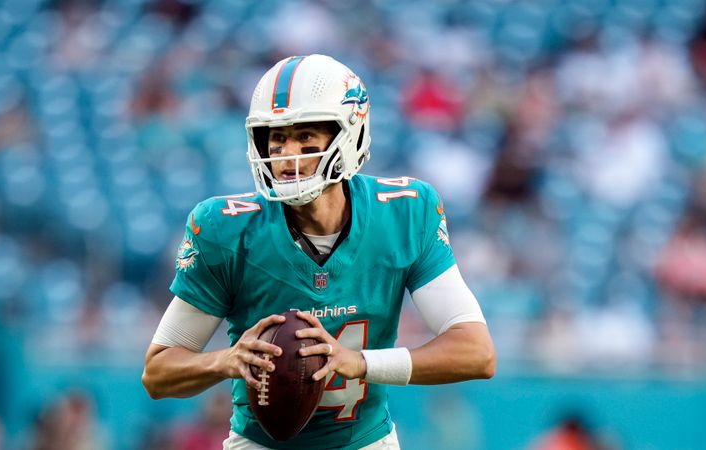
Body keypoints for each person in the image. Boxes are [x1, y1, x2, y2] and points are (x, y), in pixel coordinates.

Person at [142, 54, 495, 450]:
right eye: (276, 137)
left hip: (366, 441)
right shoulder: (227, 229)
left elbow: (475, 352)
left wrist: (361, 363)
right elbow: (158, 373)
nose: (287, 154)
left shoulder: (404, 212)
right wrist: (223, 361)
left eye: (306, 136)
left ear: (350, 135)